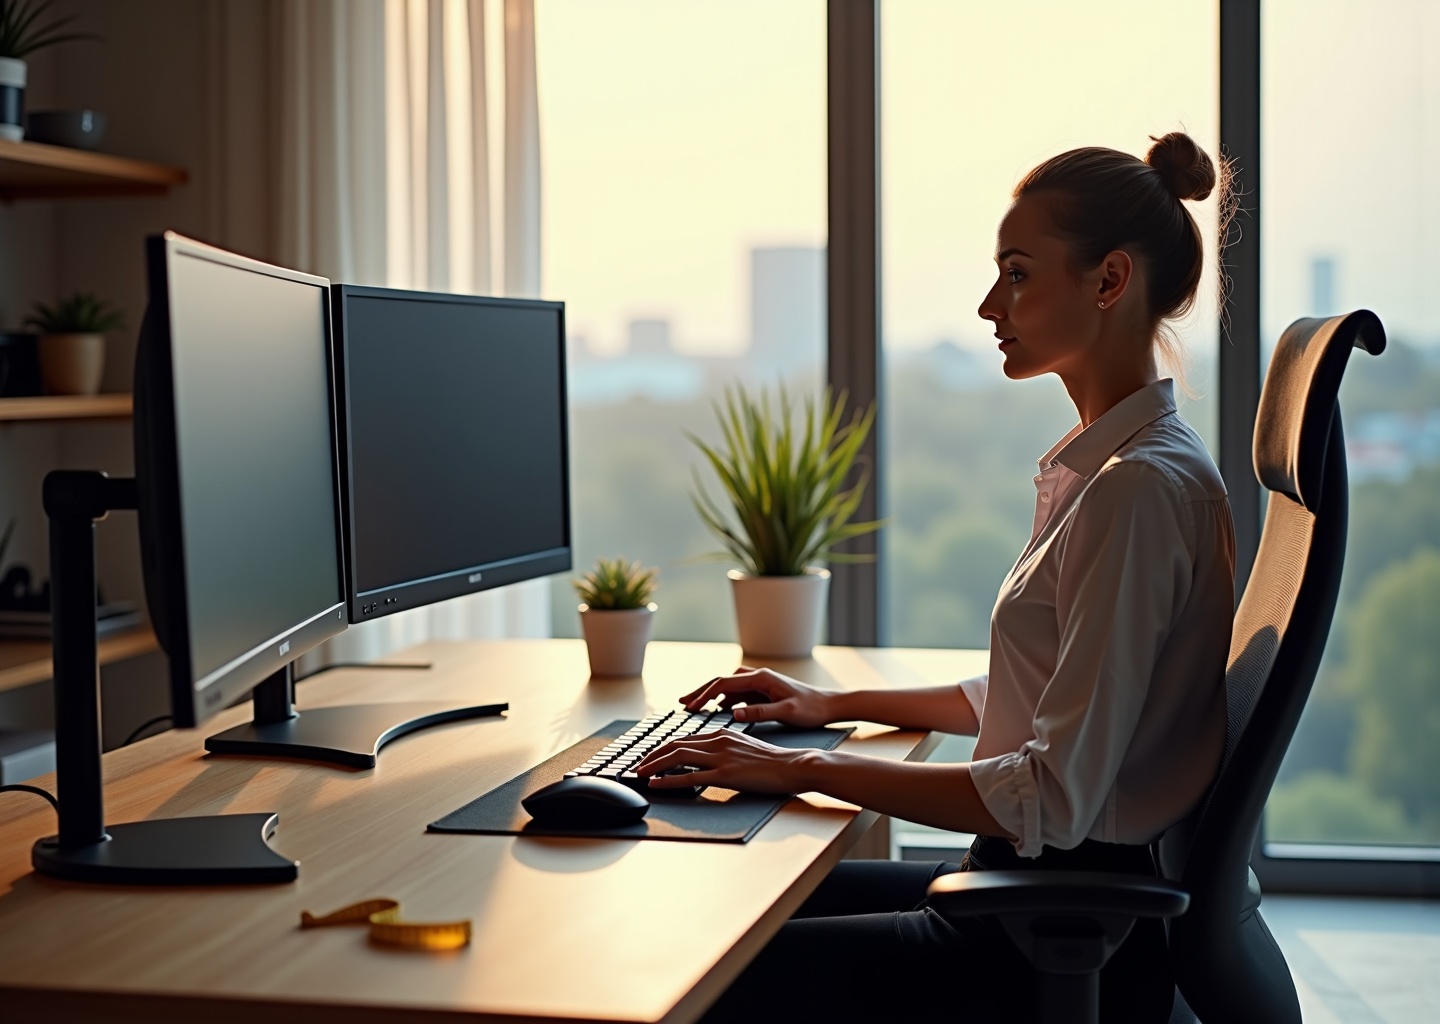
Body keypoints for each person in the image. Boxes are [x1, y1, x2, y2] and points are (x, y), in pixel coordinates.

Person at [634, 131, 1236, 1023]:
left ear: (1108, 282)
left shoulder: (1136, 491)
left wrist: (797, 772)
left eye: (1020, 274)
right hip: (1028, 893)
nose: (993, 303)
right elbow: (1053, 694)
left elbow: (1054, 796)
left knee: (681, 977)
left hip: (1045, 932)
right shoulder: (1127, 469)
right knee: (712, 892)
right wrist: (830, 710)